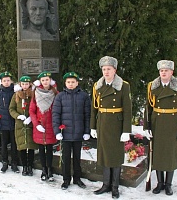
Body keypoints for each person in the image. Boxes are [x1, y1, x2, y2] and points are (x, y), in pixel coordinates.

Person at [144, 60, 177, 196]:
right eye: (161, 70)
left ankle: (168, 184)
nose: (163, 72)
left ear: (172, 72)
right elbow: (148, 108)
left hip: (172, 123)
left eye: (166, 70)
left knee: (170, 154)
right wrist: (146, 127)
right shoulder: (152, 86)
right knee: (157, 154)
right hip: (157, 123)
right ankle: (160, 183)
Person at [90, 56, 132, 199]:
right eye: (104, 69)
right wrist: (93, 127)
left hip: (116, 124)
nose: (106, 72)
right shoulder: (98, 86)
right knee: (104, 155)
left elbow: (128, 109)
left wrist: (126, 130)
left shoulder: (123, 85)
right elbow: (94, 109)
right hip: (102, 122)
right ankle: (105, 184)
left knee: (115, 156)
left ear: (115, 70)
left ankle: (115, 186)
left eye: (109, 69)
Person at [52, 72, 91, 190]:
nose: (70, 84)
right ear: (65, 83)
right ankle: (66, 179)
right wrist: (57, 131)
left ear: (77, 83)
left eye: (73, 82)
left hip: (79, 133)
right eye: (68, 82)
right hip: (65, 134)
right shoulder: (60, 96)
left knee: (77, 157)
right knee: (65, 158)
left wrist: (86, 131)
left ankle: (77, 178)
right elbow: (55, 114)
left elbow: (87, 115)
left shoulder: (84, 96)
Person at [29, 71, 58, 181]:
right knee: (41, 149)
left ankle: (50, 170)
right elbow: (32, 111)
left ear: (50, 80)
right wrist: (36, 124)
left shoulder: (55, 92)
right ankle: (44, 169)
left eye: (47, 79)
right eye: (43, 80)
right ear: (40, 81)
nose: (45, 82)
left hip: (51, 124)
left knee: (50, 148)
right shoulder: (36, 93)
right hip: (40, 125)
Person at [9, 75, 38, 176]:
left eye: (27, 84)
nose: (25, 86)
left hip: (30, 124)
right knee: (21, 146)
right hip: (20, 124)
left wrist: (31, 117)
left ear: (30, 84)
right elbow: (11, 109)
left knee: (30, 146)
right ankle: (24, 166)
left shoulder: (34, 94)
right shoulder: (16, 95)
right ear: (20, 84)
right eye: (23, 84)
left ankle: (30, 166)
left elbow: (36, 108)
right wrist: (18, 116)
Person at [0, 71, 19, 173]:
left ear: (11, 81)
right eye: (4, 81)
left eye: (8, 80)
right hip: (3, 122)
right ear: (1, 82)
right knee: (3, 143)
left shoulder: (16, 92)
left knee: (14, 143)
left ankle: (14, 162)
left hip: (14, 122)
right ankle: (4, 161)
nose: (6, 82)